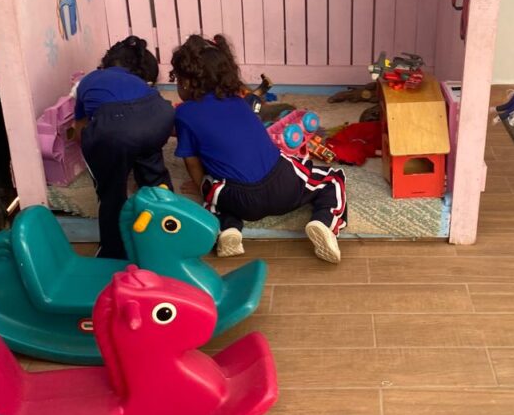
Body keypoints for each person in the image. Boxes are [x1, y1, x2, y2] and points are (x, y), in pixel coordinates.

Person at [170, 34, 347, 263]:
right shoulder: (239, 102)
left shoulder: (184, 114)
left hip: (237, 199)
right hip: (282, 188)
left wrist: (201, 187)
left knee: (216, 193)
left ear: (187, 82)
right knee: (332, 179)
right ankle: (324, 223)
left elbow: (192, 161)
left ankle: (228, 229)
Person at [75, 36, 175, 259]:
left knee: (111, 191)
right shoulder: (138, 82)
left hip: (116, 125)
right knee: (155, 178)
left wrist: (98, 156)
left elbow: (80, 127)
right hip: (159, 117)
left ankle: (113, 252)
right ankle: (172, 232)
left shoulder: (89, 79)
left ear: (107, 62)